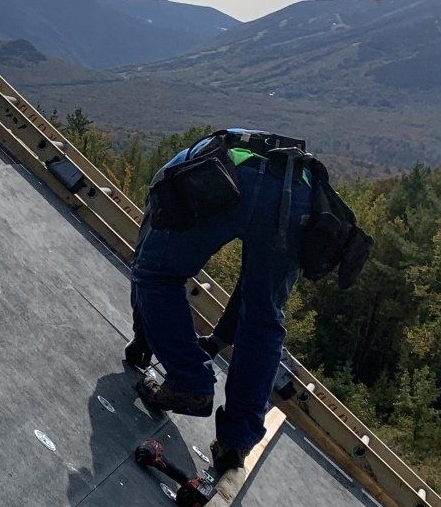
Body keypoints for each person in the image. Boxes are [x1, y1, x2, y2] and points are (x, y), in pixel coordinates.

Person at [128, 129, 313, 476]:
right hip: (301, 193)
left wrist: (145, 342)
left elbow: (148, 267)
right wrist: (216, 342)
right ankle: (235, 443)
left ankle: (189, 383)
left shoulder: (174, 178)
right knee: (263, 319)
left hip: (232, 175)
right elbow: (250, 290)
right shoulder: (200, 161)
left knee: (155, 273)